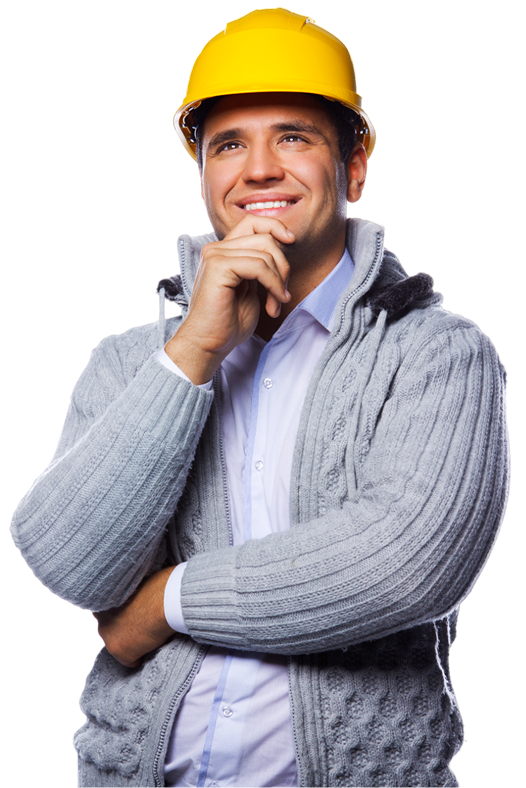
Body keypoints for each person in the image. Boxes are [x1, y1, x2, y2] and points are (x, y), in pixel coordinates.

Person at [10, 8, 509, 788]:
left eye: (294, 137)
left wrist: (164, 602)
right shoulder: (129, 361)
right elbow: (71, 567)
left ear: (354, 166)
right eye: (229, 145)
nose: (260, 170)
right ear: (203, 174)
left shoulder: (438, 353)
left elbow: (404, 565)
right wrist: (194, 352)